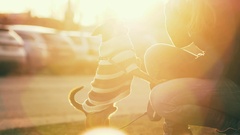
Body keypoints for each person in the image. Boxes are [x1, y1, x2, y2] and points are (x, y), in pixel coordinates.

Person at [145, 0, 240, 135]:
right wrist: (170, 8)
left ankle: (234, 126)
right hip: (224, 74)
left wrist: (169, 80)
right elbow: (180, 40)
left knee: (161, 97)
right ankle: (177, 130)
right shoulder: (194, 6)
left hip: (235, 82)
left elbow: (216, 64)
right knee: (155, 55)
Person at [68, 19, 160, 128]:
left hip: (98, 103)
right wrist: (155, 81)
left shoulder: (111, 52)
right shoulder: (119, 50)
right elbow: (133, 70)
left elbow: (130, 68)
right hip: (96, 108)